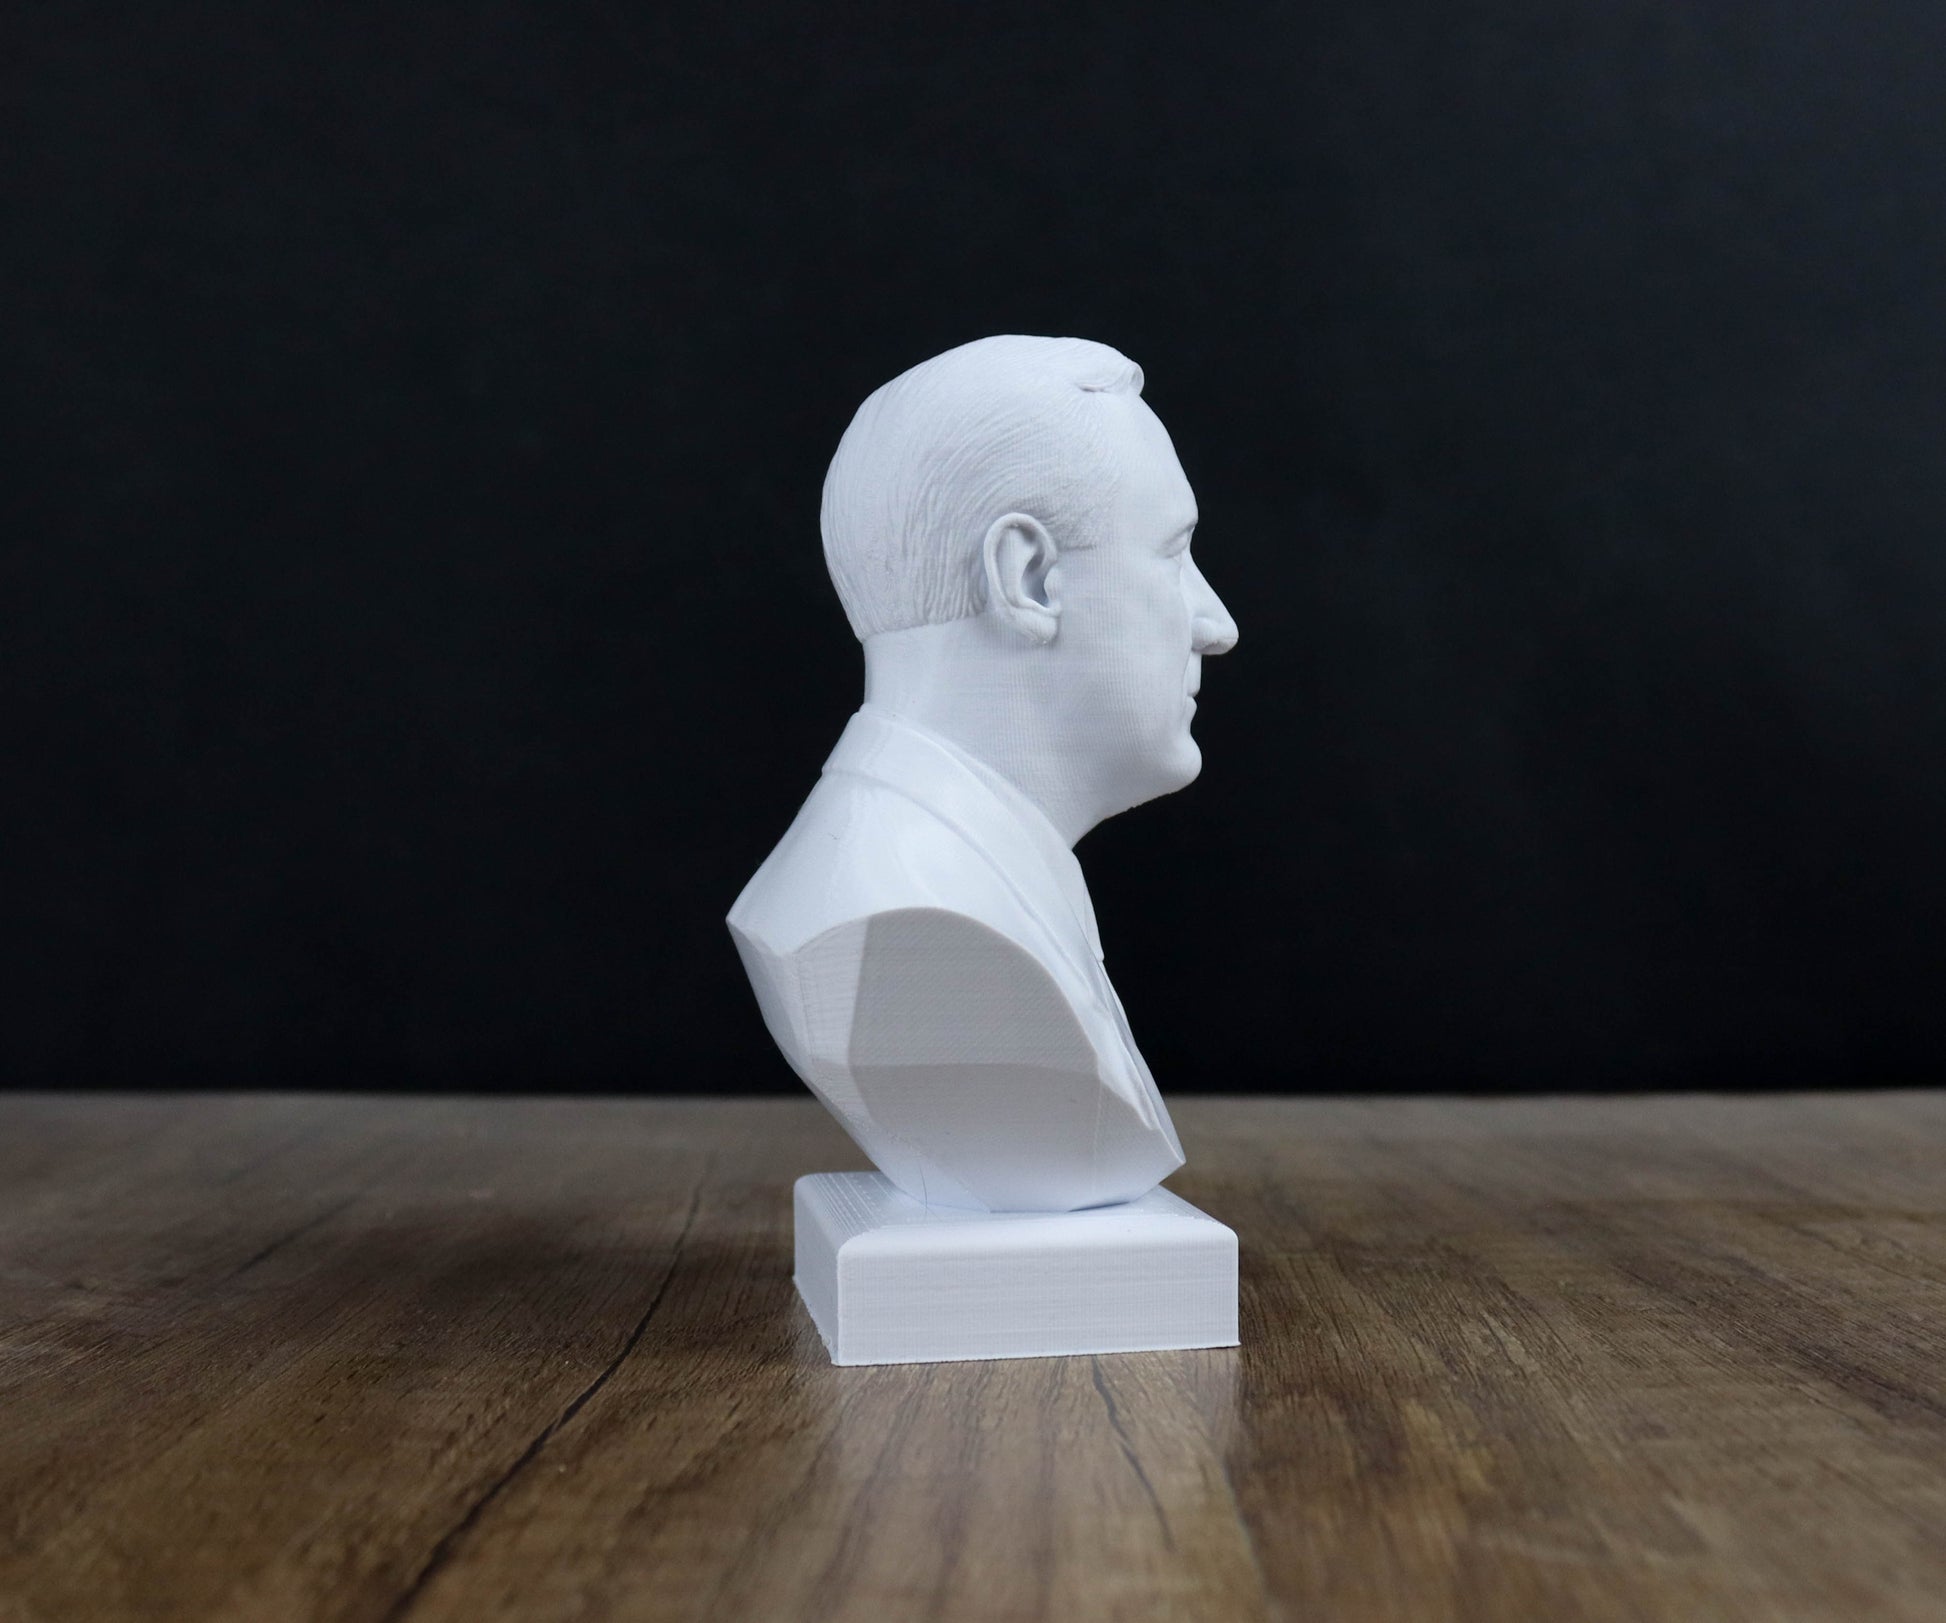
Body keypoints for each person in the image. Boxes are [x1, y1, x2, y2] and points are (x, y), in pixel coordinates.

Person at [728, 335, 1238, 1212]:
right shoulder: (898, 923)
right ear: (1027, 577)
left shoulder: (913, 885)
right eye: (1171, 551)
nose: (1215, 622)